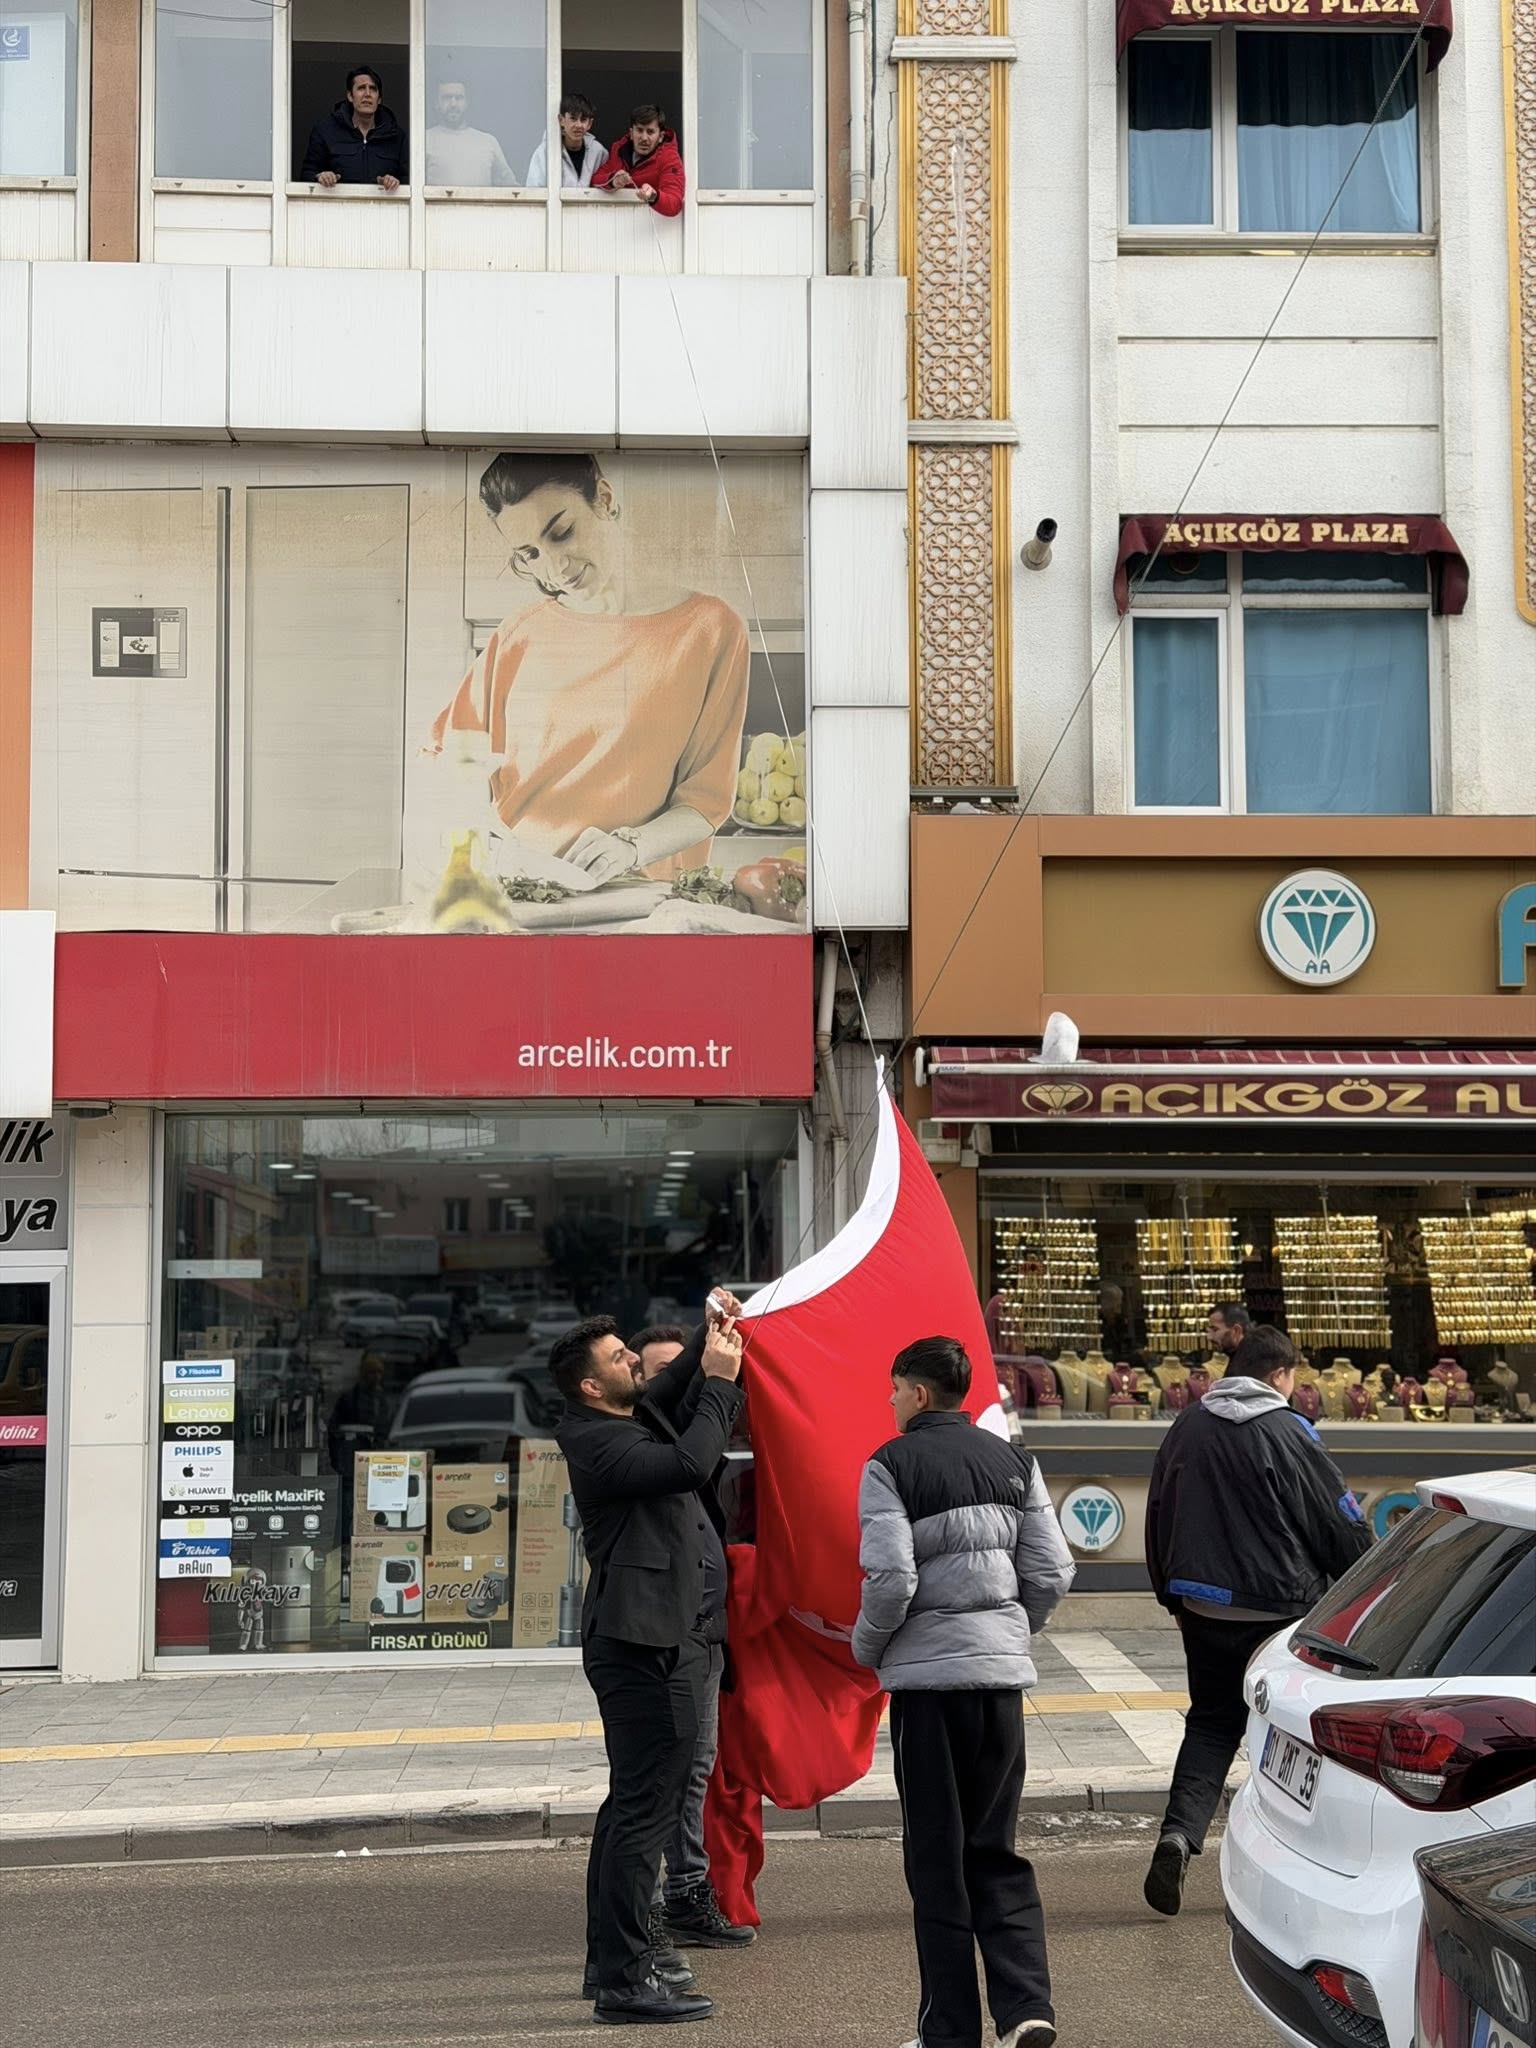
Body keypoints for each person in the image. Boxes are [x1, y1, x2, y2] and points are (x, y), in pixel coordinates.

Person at [852, 1336, 1076, 2048]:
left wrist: (867, 1649)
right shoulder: (1015, 1460)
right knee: (996, 1848)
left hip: (928, 1690)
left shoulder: (889, 1466)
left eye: (893, 1389)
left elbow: (891, 1581)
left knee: (937, 1858)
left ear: (918, 1395)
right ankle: (1026, 2010)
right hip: (999, 1685)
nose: (889, 1402)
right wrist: (1012, 1633)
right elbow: (1053, 1571)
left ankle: (949, 2031)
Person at [427, 452, 749, 886]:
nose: (555, 568)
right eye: (530, 554)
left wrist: (629, 846)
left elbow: (707, 800)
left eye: (562, 533)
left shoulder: (711, 629)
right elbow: (453, 753)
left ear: (604, 498)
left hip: (639, 901)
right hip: (518, 892)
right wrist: (476, 823)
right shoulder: (519, 635)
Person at [552, 1302, 744, 2025]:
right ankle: (627, 1983)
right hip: (642, 1646)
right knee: (642, 1814)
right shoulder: (599, 1442)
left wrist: (707, 1336)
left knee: (630, 1808)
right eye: (618, 1359)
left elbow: (669, 1391)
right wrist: (722, 1382)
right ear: (593, 1388)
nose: (633, 1360)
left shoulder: (622, 1418)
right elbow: (691, 1462)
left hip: (654, 1640)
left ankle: (611, 1963)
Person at [1142, 1323, 1372, 1917]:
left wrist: (1171, 1597)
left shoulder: (1188, 1425)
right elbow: (1335, 1520)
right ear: (1278, 1376)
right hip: (1279, 1611)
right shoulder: (1287, 1431)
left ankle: (1177, 1836)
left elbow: (1158, 1513)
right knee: (1283, 1735)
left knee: (1212, 1723)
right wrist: (1368, 1587)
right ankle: (1277, 1863)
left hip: (1202, 1606)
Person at [630, 1322, 755, 1953]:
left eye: (680, 1368)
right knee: (658, 1778)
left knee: (696, 1772)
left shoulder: (688, 1436)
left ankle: (686, 1892)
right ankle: (644, 1907)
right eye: (655, 1371)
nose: (671, 1382)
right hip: (661, 1641)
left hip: (705, 1638)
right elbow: (688, 1437)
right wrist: (713, 1380)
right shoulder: (639, 1443)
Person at [299, 66, 408, 190]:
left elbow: (409, 180)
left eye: (373, 89)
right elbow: (307, 174)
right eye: (361, 88)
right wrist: (320, 176)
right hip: (336, 208)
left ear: (379, 100)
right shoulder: (325, 131)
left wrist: (393, 182)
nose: (367, 94)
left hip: (384, 208)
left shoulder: (396, 136)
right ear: (350, 96)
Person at [593, 103, 686, 216]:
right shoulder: (619, 150)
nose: (644, 138)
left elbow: (674, 204)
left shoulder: (669, 158)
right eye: (640, 130)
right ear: (631, 133)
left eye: (650, 132)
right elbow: (596, 180)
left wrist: (653, 196)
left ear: (661, 136)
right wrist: (613, 181)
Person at [423, 80, 514, 187]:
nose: (453, 104)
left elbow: (510, 189)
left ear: (467, 103)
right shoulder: (424, 139)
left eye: (459, 98)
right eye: (447, 98)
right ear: (436, 103)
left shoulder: (488, 142)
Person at [527, 92, 608, 188]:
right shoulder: (545, 152)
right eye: (573, 119)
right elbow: (535, 191)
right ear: (561, 120)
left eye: (583, 120)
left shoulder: (599, 152)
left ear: (589, 124)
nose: (578, 125)